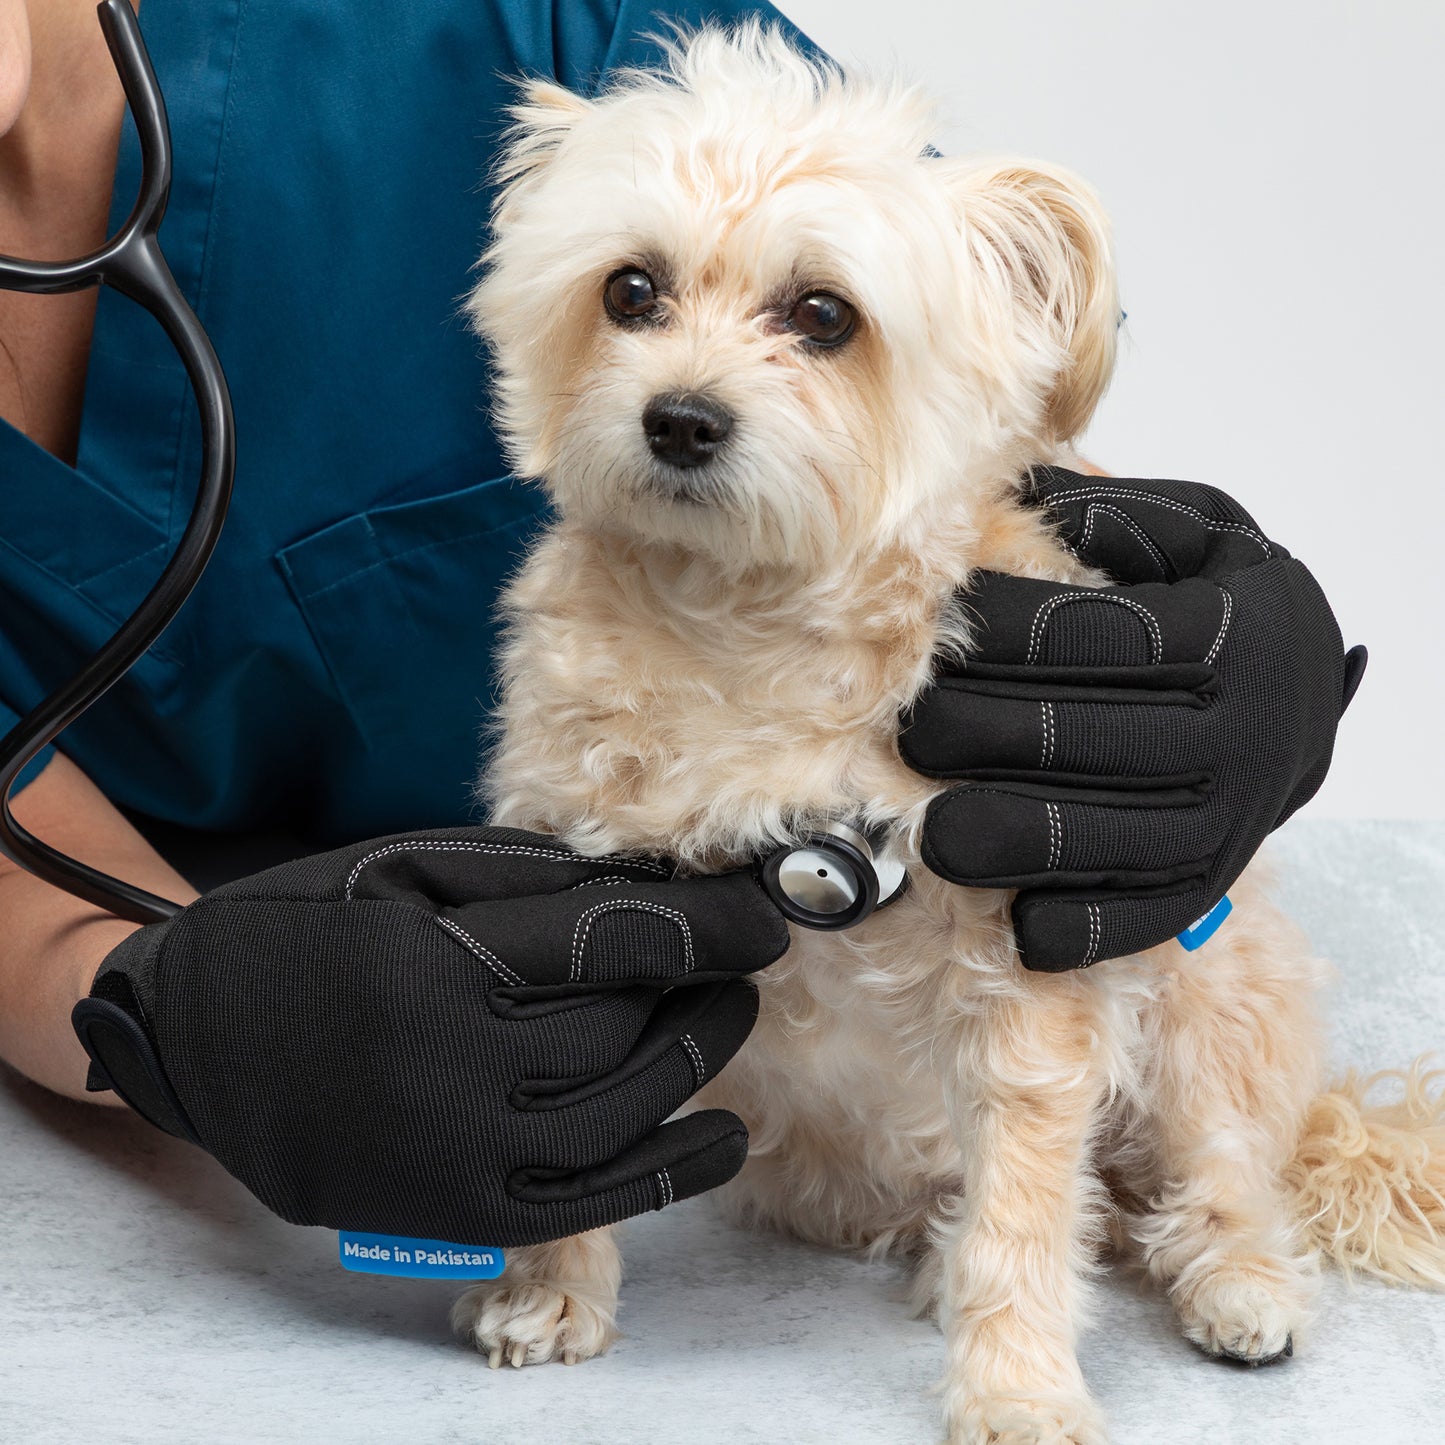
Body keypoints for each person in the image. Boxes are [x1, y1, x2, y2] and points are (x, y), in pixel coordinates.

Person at [0, 0, 1361, 1247]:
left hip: (795, 1024)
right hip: (407, 1041)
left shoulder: (521, 35)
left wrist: (1198, 660)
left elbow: (958, 401)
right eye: (637, 301)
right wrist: (178, 1020)